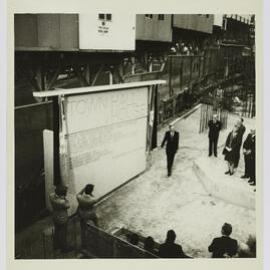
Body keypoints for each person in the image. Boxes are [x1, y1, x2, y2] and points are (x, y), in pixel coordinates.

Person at [49, 185, 72, 252]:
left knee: (57, 231)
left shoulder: (51, 196)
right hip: (62, 218)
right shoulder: (62, 202)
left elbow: (53, 194)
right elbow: (68, 205)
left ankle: (56, 245)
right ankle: (64, 247)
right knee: (63, 233)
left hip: (55, 216)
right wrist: (64, 198)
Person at [77, 184, 98, 249]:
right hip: (91, 214)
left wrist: (83, 189)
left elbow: (79, 194)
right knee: (96, 222)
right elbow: (94, 199)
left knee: (83, 229)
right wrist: (90, 193)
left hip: (82, 214)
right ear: (91, 191)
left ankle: (84, 244)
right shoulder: (93, 199)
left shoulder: (79, 197)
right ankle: (97, 235)